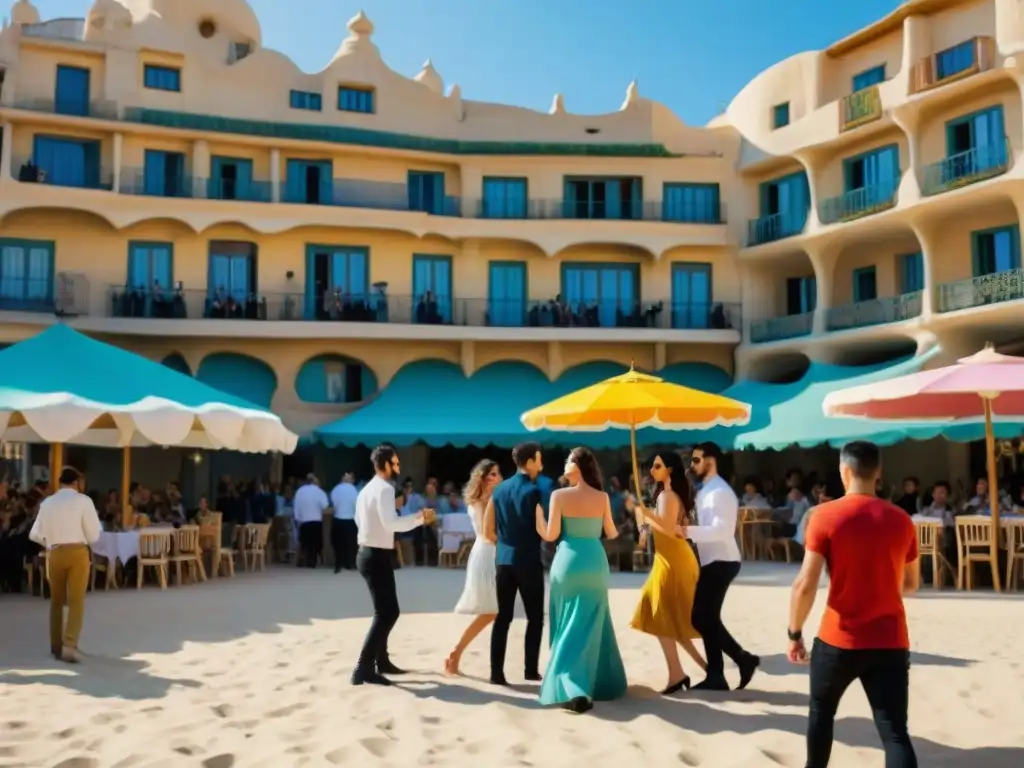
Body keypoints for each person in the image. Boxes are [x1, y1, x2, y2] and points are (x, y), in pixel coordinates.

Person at [787, 440, 919, 768]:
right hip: (889, 639)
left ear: (844, 472)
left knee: (821, 714)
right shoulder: (902, 519)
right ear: (878, 473)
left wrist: (794, 632)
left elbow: (806, 584)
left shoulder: (824, 516)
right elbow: (913, 584)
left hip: (838, 639)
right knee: (894, 733)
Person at [535, 447, 627, 713]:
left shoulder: (558, 495)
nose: (565, 463)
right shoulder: (602, 497)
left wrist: (539, 520)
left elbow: (551, 536)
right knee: (593, 622)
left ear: (577, 465)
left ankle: (574, 687)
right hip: (595, 562)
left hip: (568, 563)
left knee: (567, 625)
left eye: (568, 460)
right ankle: (597, 682)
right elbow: (610, 533)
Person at [352, 445, 435, 686]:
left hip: (369, 553)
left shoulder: (367, 489)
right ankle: (363, 667)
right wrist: (420, 517)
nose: (399, 468)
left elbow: (362, 520)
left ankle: (382, 661)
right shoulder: (385, 489)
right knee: (387, 612)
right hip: (375, 555)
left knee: (385, 610)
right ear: (387, 464)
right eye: (396, 464)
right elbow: (391, 525)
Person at [630, 452, 706, 694]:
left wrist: (643, 513)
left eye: (657, 466)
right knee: (664, 615)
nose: (652, 470)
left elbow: (666, 526)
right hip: (669, 559)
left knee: (663, 615)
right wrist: (645, 517)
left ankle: (687, 672)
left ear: (670, 470)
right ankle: (690, 671)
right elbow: (664, 526)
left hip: (673, 561)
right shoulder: (667, 495)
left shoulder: (667, 495)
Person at [687, 442, 759, 691]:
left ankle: (741, 659)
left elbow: (722, 530)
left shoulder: (720, 492)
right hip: (712, 561)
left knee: (701, 617)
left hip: (723, 560)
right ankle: (717, 674)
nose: (692, 465)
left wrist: (684, 531)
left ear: (711, 460)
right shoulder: (706, 490)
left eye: (696, 460)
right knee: (706, 618)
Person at [485, 441, 545, 686]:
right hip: (528, 559)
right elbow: (541, 528)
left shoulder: (498, 490)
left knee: (503, 618)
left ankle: (496, 673)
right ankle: (530, 670)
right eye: (539, 459)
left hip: (503, 559)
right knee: (535, 617)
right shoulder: (534, 491)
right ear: (529, 462)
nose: (541, 464)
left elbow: (489, 529)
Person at [28, 468, 102, 663]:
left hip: (55, 552)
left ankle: (56, 645)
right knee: (76, 600)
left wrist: (50, 541)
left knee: (56, 601)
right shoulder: (84, 501)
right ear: (76, 483)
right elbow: (94, 534)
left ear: (60, 483)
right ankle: (70, 644)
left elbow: (34, 534)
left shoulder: (47, 503)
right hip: (77, 551)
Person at [445, 460, 502, 676]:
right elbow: (485, 533)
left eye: (496, 474)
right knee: (491, 612)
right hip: (486, 554)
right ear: (482, 478)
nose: (494, 478)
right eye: (489, 475)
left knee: (493, 612)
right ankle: (455, 653)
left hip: (492, 553)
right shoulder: (479, 502)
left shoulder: (495, 499)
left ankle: (456, 654)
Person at [293, 474, 330, 568]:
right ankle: (311, 562)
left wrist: (298, 518)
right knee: (314, 543)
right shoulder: (319, 491)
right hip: (316, 520)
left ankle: (301, 558)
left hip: (303, 521)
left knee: (303, 542)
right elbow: (325, 506)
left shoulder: (299, 491)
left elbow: (296, 506)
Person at [330, 472, 359, 573]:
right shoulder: (354, 490)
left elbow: (334, 504)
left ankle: (338, 564)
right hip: (350, 520)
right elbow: (357, 505)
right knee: (350, 544)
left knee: (338, 544)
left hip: (338, 519)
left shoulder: (336, 489)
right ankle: (350, 564)